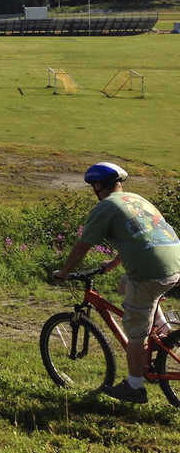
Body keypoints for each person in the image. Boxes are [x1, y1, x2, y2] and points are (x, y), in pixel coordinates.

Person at [54, 162, 180, 404]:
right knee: (126, 283)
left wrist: (65, 271)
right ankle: (163, 332)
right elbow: (143, 234)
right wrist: (112, 264)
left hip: (151, 273)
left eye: (93, 185)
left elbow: (83, 245)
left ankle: (134, 387)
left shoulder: (106, 207)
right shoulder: (136, 199)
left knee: (135, 332)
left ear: (98, 185)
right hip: (174, 263)